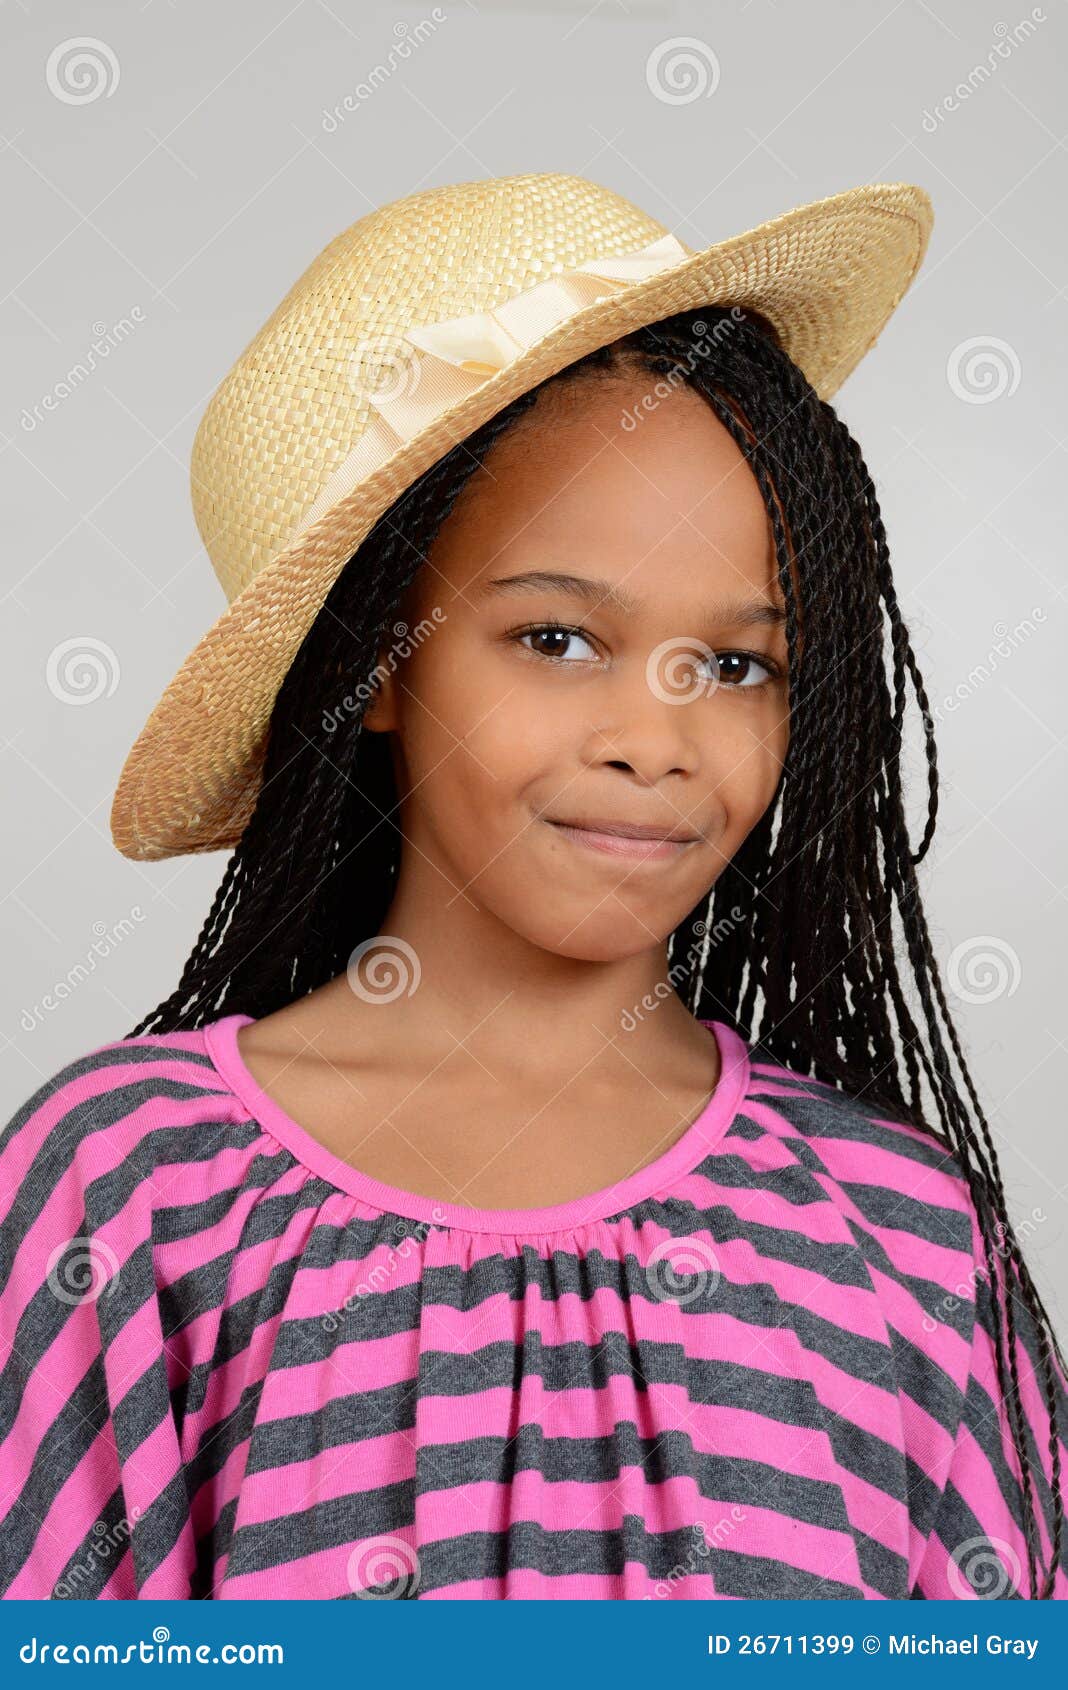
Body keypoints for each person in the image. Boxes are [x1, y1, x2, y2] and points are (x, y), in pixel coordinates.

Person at [1, 173, 1064, 1601]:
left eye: (737, 663)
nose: (655, 740)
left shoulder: (903, 1229)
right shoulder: (129, 1191)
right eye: (557, 639)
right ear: (378, 662)